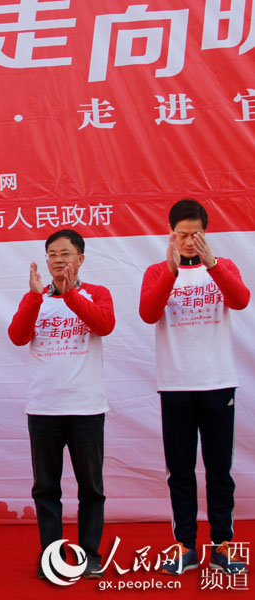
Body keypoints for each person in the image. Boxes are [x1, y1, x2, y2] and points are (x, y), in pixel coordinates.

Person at [139, 199, 250, 576]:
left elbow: (241, 299)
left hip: (218, 384)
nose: (189, 241)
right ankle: (185, 545)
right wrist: (171, 271)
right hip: (176, 387)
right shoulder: (157, 271)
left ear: (206, 233)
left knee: (219, 470)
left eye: (195, 234)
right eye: (182, 234)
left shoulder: (222, 267)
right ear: (170, 234)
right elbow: (148, 313)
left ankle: (222, 544)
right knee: (181, 471)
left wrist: (214, 264)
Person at [7, 229, 114, 580]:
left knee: (91, 488)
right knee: (46, 489)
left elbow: (104, 325)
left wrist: (70, 296)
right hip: (43, 410)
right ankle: (52, 555)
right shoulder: (34, 298)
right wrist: (36, 298)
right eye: (52, 254)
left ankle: (90, 554)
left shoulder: (97, 294)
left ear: (80, 259)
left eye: (65, 254)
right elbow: (18, 336)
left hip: (86, 408)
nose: (58, 260)